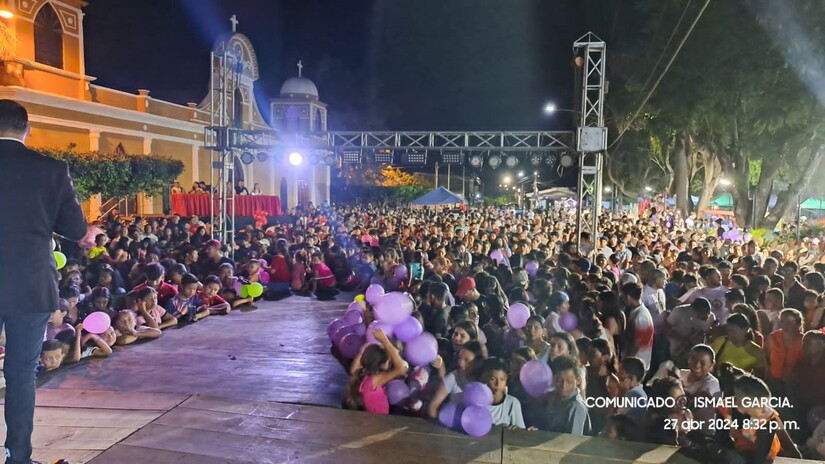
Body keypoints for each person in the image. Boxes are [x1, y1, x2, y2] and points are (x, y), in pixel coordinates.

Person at [0, 100, 87, 464]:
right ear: (27, 129)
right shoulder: (51, 169)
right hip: (30, 282)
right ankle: (17, 457)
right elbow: (76, 230)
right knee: (20, 373)